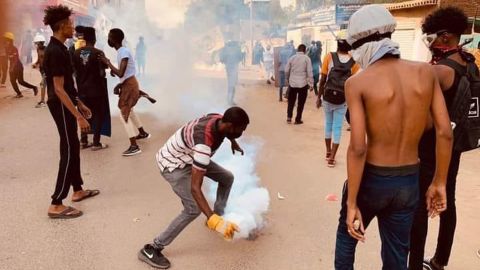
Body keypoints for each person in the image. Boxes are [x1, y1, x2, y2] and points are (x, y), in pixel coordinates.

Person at [334, 5, 453, 270]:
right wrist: (439, 182)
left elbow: (358, 148)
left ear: (360, 44)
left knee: (347, 238)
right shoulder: (425, 73)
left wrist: (352, 202)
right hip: (409, 181)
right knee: (397, 252)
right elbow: (445, 131)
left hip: (372, 180)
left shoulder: (358, 83)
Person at [409, 7, 479, 270]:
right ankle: (440, 260)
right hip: (455, 146)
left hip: (431, 148)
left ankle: (414, 264)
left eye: (432, 38)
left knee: (420, 206)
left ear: (446, 37)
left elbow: (418, 101)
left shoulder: (441, 71)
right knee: (448, 198)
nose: (429, 43)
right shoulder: (468, 63)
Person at [139, 107, 249, 269]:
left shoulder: (218, 118)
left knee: (227, 178)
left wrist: (233, 141)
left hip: (190, 156)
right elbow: (195, 188)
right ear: (230, 126)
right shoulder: (204, 144)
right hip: (173, 164)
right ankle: (153, 248)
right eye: (241, 130)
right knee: (193, 209)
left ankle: (216, 217)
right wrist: (210, 218)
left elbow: (224, 133)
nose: (242, 132)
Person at [43, 5, 100, 219]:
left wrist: (79, 103)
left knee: (73, 145)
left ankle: (77, 189)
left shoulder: (61, 48)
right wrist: (77, 116)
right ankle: (56, 202)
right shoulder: (55, 51)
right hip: (59, 104)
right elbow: (58, 89)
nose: (72, 27)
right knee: (68, 148)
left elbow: (67, 85)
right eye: (69, 24)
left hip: (66, 101)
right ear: (61, 26)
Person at [100, 28, 150, 156]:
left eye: (109, 37)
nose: (108, 40)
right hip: (128, 83)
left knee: (124, 113)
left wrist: (108, 63)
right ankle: (142, 133)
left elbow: (121, 72)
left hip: (130, 85)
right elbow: (123, 73)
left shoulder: (124, 52)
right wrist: (118, 80)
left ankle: (134, 146)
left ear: (114, 39)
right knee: (129, 110)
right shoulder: (122, 51)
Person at [317, 31, 360, 167]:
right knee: (337, 128)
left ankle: (328, 151)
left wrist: (319, 97)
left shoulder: (329, 57)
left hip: (327, 97)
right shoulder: (354, 62)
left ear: (337, 45)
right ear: (349, 47)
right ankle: (332, 158)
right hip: (342, 100)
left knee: (328, 124)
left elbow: (323, 79)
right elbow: (353, 83)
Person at [73, 26, 111, 151]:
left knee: (84, 114)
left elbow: (74, 72)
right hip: (97, 90)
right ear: (94, 39)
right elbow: (102, 73)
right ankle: (96, 143)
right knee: (98, 114)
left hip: (82, 90)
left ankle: (83, 141)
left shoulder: (76, 53)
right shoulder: (98, 53)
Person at [285, 44, 313, 124]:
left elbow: (286, 70)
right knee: (301, 102)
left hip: (292, 83)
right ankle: (298, 119)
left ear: (297, 50)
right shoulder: (307, 59)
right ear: (305, 50)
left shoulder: (292, 58)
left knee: (291, 101)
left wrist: (287, 79)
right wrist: (311, 83)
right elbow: (309, 72)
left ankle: (289, 117)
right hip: (303, 84)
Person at [4, 32, 38, 98]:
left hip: (18, 67)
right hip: (12, 67)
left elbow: (16, 59)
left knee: (21, 81)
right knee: (12, 81)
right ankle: (19, 94)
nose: (6, 42)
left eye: (7, 40)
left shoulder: (14, 48)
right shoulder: (6, 48)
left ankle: (34, 87)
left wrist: (12, 67)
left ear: (10, 41)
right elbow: (8, 58)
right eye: (5, 40)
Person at [219, 41, 243, 105]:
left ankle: (229, 99)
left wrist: (226, 62)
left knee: (230, 83)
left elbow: (221, 59)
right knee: (232, 84)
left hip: (228, 67)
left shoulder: (225, 48)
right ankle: (230, 100)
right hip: (234, 68)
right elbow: (240, 57)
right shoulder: (237, 48)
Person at [32, 34, 47, 108]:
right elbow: (39, 59)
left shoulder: (47, 50)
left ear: (41, 43)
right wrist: (35, 63)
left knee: (43, 84)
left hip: (46, 70)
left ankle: (42, 101)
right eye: (36, 43)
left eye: (37, 43)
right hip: (42, 69)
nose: (36, 45)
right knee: (45, 84)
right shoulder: (38, 49)